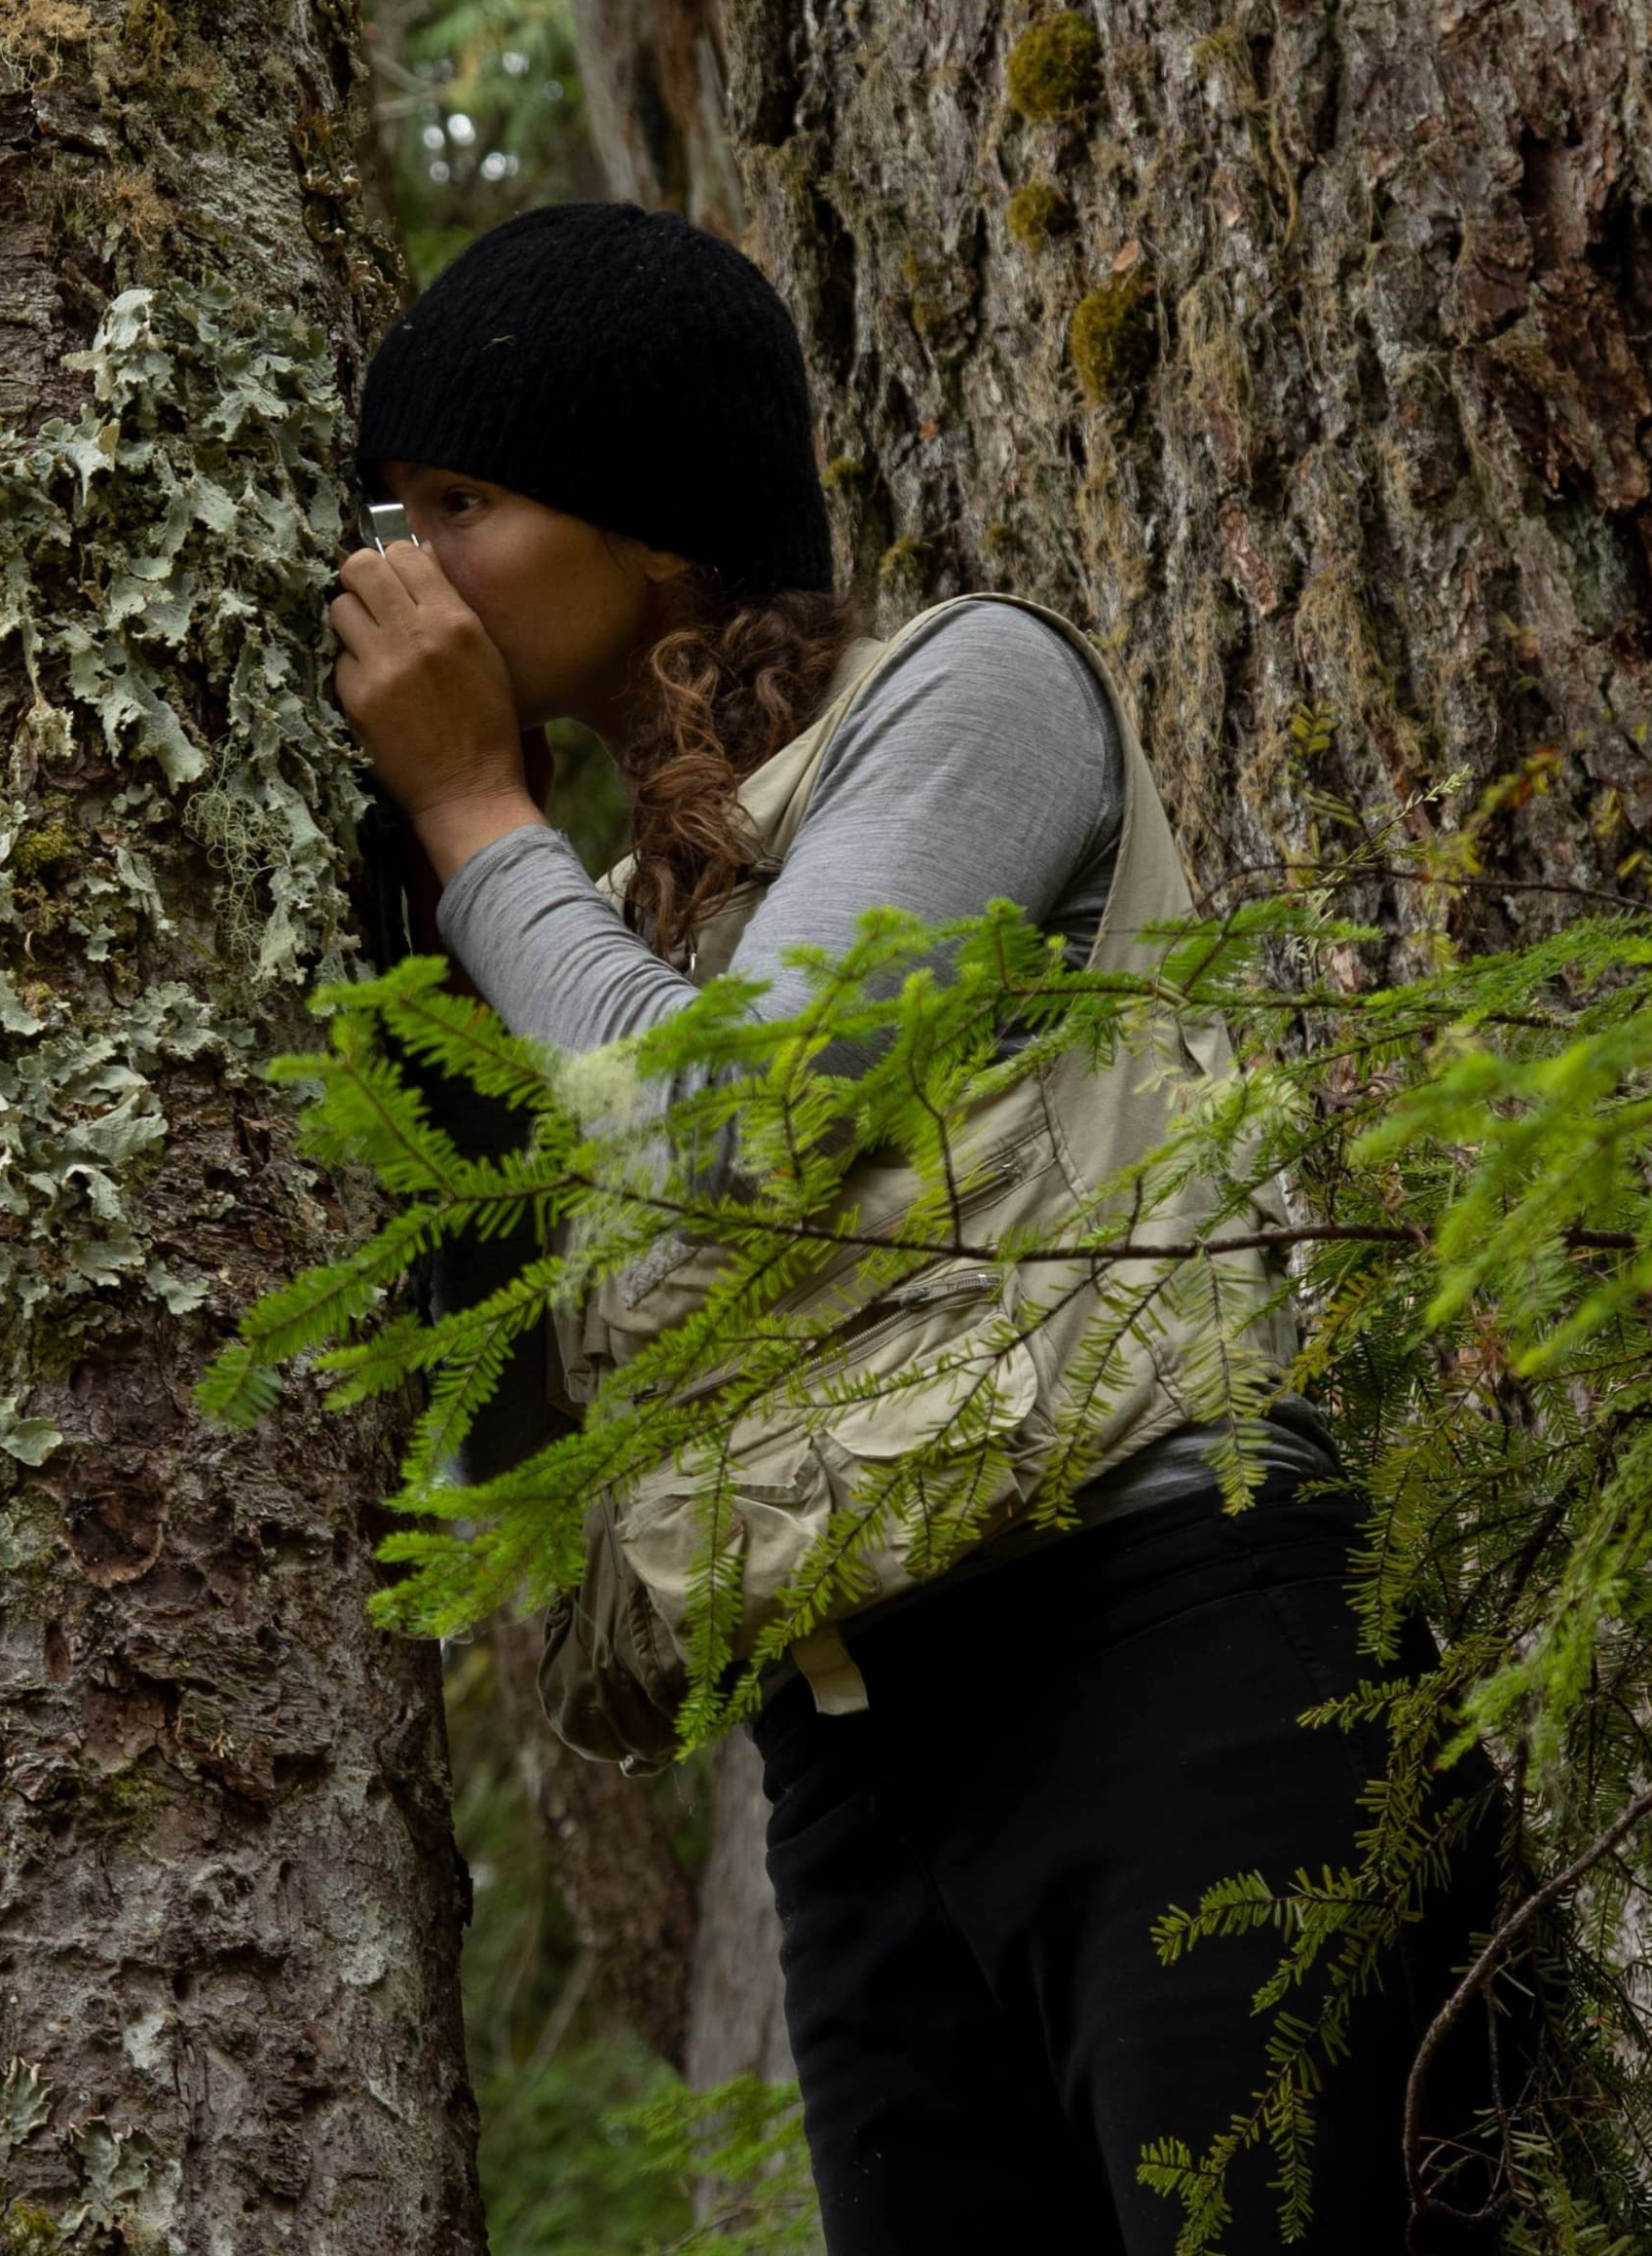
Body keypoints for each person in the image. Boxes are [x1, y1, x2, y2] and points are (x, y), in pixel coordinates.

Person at [325, 203, 1504, 2256]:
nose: (405, 566)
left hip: (1169, 1637)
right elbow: (521, 1440)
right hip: (855, 1764)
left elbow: (726, 1126)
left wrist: (467, 819)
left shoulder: (973, 693)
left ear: (662, 526)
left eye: (464, 501)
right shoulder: (617, 929)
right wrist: (433, 942)